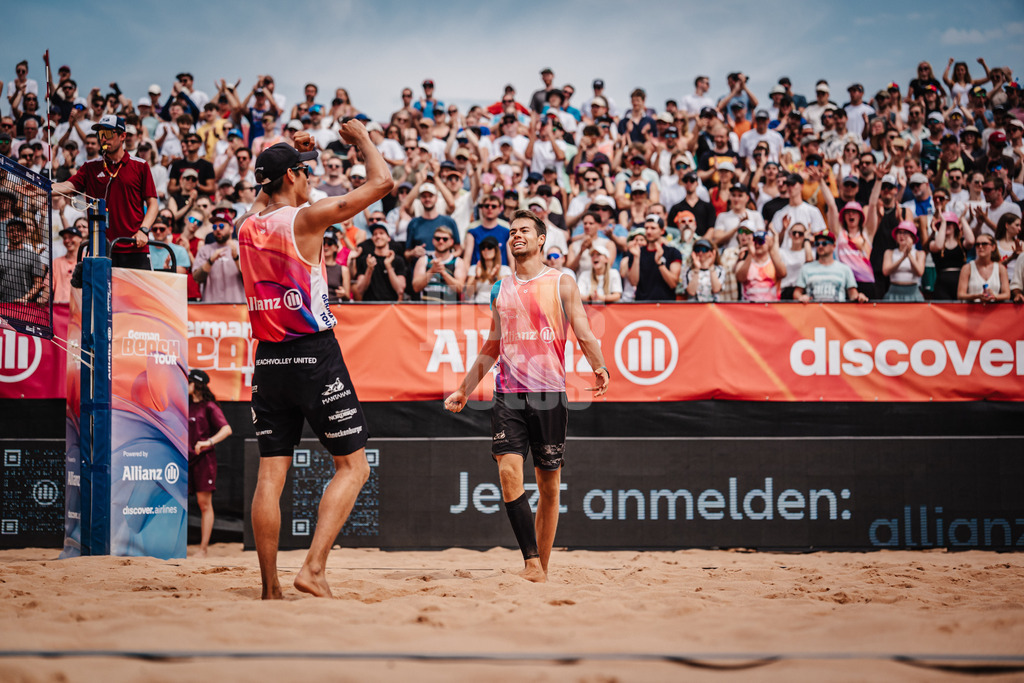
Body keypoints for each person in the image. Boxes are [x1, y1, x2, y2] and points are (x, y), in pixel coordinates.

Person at [240, 123, 393, 600]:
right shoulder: (306, 221)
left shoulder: (245, 225)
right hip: (312, 355)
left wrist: (294, 155)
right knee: (353, 468)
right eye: (303, 173)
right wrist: (362, 139)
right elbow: (382, 184)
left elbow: (269, 193)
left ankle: (270, 589)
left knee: (270, 475)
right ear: (291, 177)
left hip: (267, 360)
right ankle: (314, 569)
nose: (309, 178)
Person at [444, 209, 608, 583]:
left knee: (549, 486)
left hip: (550, 394)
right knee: (507, 472)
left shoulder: (562, 282)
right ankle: (531, 561)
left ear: (540, 241)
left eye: (524, 231)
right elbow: (492, 344)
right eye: (512, 231)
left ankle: (542, 569)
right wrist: (464, 388)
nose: (516, 235)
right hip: (508, 393)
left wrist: (600, 366)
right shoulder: (501, 288)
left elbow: (582, 329)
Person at [51, 115, 158, 269]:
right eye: (100, 134)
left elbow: (153, 204)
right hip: (100, 249)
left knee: (136, 294)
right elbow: (67, 186)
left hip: (134, 247)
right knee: (99, 293)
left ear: (122, 136)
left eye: (108, 134)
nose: (103, 139)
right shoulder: (90, 167)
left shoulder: (140, 166)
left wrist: (144, 230)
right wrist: (41, 188)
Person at [186, 368, 231, 559]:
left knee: (204, 504)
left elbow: (227, 429)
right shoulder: (182, 404)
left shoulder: (209, 407)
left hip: (204, 461)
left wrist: (208, 442)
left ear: (196, 385)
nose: (184, 385)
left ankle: (203, 549)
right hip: (183, 460)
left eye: (188, 382)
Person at [794, 231, 867, 303]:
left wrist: (859, 297)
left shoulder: (845, 269)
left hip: (837, 314)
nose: (820, 246)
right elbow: (797, 293)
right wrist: (801, 297)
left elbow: (853, 295)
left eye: (824, 243)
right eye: (817, 244)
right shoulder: (806, 268)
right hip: (812, 313)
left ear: (834, 246)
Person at [625, 215, 682, 301]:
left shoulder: (673, 252)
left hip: (666, 305)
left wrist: (660, 263)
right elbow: (633, 282)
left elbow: (673, 283)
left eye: (653, 228)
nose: (648, 231)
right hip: (642, 305)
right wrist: (636, 257)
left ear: (662, 231)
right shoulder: (636, 252)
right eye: (646, 228)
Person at [193, 207, 244, 303]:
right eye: (214, 227)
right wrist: (210, 261)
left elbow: (249, 280)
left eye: (221, 226)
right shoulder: (205, 250)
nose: (217, 229)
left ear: (231, 228)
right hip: (211, 308)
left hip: (237, 307)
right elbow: (197, 278)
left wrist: (236, 258)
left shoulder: (241, 248)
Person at [412, 225, 466, 302]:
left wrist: (443, 273)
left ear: (451, 242)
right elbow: (416, 287)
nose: (441, 241)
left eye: (445, 239)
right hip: (426, 309)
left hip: (450, 309)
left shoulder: (458, 262)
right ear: (433, 241)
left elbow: (460, 288)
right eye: (438, 238)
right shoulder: (424, 260)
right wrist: (431, 271)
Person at [736, 229, 786, 301]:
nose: (757, 245)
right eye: (755, 241)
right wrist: (750, 254)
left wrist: (771, 249)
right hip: (749, 309)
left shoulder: (774, 262)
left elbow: (783, 274)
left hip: (771, 308)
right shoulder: (744, 262)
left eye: (760, 241)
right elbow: (740, 278)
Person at [882, 221, 926, 301]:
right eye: (899, 232)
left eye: (906, 233)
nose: (902, 236)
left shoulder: (919, 254)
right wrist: (903, 258)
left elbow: (920, 272)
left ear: (912, 237)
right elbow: (886, 271)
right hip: (893, 292)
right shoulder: (889, 252)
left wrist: (909, 255)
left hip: (913, 293)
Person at [957, 235, 1009, 302]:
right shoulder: (967, 268)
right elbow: (960, 295)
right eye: (977, 244)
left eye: (984, 244)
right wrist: (977, 296)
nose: (980, 247)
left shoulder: (1001, 268)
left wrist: (994, 296)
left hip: (994, 311)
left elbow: (1007, 294)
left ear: (993, 247)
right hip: (972, 310)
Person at [52, 222, 84, 303]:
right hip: (60, 308)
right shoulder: (56, 262)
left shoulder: (87, 260)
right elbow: (48, 286)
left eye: (70, 237)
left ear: (80, 238)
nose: (67, 240)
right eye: (64, 238)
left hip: (80, 307)